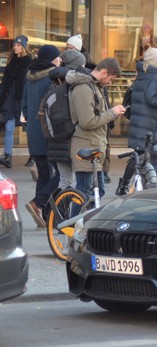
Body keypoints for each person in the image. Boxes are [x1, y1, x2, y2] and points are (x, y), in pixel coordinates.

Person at [67, 58, 126, 200]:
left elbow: (97, 117)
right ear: (104, 72)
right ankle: (74, 222)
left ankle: (86, 221)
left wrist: (112, 114)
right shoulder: (84, 89)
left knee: (98, 192)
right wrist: (112, 113)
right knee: (84, 194)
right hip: (85, 148)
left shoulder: (95, 87)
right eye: (110, 79)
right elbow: (87, 122)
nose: (110, 83)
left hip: (95, 148)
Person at [117, 47, 157, 195]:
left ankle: (126, 185)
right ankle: (153, 186)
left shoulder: (143, 75)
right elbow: (152, 99)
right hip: (148, 122)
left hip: (141, 120)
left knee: (141, 155)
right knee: (149, 154)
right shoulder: (153, 77)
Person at [21, 44, 61, 228]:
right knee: (60, 173)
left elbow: (24, 106)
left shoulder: (29, 78)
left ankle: (42, 215)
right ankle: (38, 203)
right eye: (58, 57)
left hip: (33, 132)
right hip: (48, 132)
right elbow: (53, 108)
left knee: (44, 173)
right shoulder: (52, 78)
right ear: (51, 59)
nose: (60, 60)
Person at [46, 50, 88, 190]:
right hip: (72, 140)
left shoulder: (53, 87)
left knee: (64, 180)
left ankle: (55, 210)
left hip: (56, 140)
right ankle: (61, 210)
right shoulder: (77, 88)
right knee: (74, 182)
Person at [0, 35, 32, 168]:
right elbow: (5, 82)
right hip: (10, 99)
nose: (16, 47)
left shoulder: (29, 62)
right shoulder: (11, 62)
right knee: (9, 128)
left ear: (24, 46)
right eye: (14, 45)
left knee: (29, 129)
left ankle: (34, 156)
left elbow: (29, 82)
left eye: (18, 45)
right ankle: (8, 155)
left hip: (23, 98)